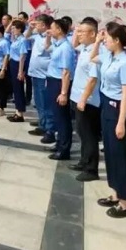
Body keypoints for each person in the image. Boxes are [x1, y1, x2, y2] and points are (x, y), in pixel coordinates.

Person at [92, 23, 126, 218]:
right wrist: (97, 42)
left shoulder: (125, 62)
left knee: (120, 156)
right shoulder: (109, 56)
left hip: (119, 110)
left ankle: (125, 203)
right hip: (106, 106)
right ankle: (115, 193)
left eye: (107, 39)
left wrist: (121, 122)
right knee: (110, 153)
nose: (105, 42)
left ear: (117, 41)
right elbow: (92, 58)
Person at [70, 19, 102, 182]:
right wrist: (76, 31)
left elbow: (92, 79)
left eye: (82, 32)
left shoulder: (96, 53)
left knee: (89, 135)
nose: (79, 34)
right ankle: (83, 161)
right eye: (78, 31)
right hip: (78, 97)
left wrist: (83, 99)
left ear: (92, 34)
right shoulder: (84, 48)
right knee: (82, 132)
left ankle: (91, 169)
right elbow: (73, 44)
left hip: (88, 101)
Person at [45, 18, 76, 160]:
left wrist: (63, 93)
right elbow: (47, 47)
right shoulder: (57, 44)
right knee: (57, 116)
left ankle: (64, 149)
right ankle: (59, 143)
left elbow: (66, 72)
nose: (50, 30)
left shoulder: (66, 48)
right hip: (53, 80)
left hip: (60, 83)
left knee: (63, 117)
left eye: (52, 28)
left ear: (59, 29)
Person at [27, 15, 54, 136]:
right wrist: (30, 27)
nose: (35, 26)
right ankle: (42, 123)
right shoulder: (37, 36)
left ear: (43, 25)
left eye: (37, 24)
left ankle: (49, 128)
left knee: (45, 103)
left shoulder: (50, 37)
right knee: (38, 101)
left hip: (44, 75)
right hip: (35, 73)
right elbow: (26, 37)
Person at [7, 20, 29, 122]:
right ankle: (17, 111)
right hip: (13, 63)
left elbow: (22, 56)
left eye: (14, 28)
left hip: (18, 65)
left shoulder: (22, 40)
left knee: (19, 88)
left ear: (19, 29)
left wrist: (20, 71)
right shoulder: (15, 39)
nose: (12, 30)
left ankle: (20, 113)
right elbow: (7, 33)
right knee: (15, 89)